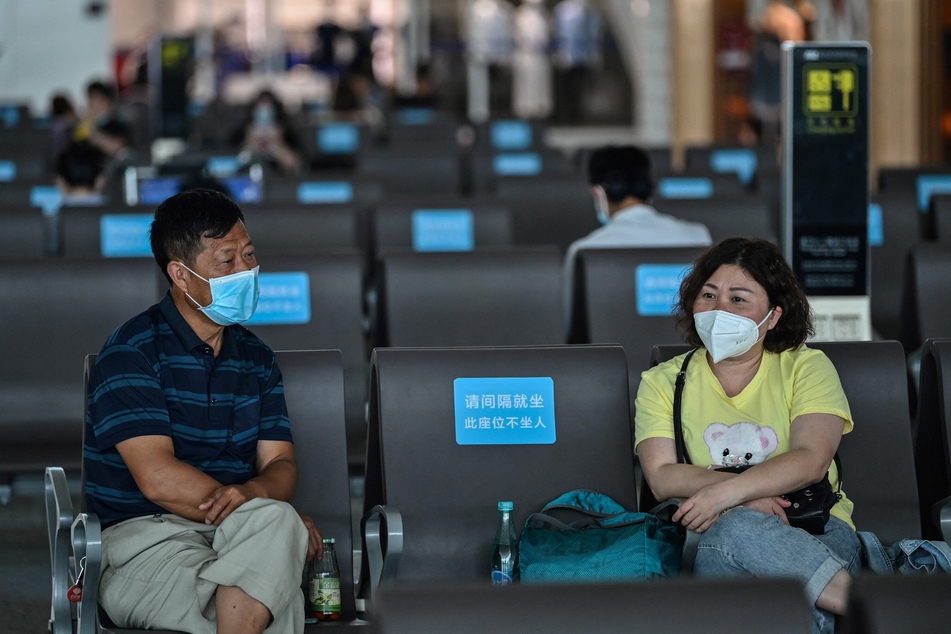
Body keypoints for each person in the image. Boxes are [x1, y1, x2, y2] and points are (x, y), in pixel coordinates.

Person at [84, 189, 323, 633]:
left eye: (249, 256)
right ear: (181, 274)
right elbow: (158, 479)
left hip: (240, 535)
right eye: (227, 262)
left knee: (266, 547)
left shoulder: (257, 358)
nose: (247, 271)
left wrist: (257, 503)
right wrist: (261, 513)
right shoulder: (132, 352)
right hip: (147, 545)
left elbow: (282, 465)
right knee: (272, 583)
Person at [634, 237, 859, 633]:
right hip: (713, 532)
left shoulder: (806, 367)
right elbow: (661, 474)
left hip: (813, 530)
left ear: (773, 316)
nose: (719, 310)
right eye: (708, 295)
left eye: (738, 299)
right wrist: (745, 500)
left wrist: (727, 495)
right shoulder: (662, 381)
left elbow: (811, 458)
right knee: (732, 533)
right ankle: (860, 601)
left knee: (732, 540)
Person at [563, 145, 712, 333]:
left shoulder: (583, 250)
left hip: (613, 362)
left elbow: (571, 329)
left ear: (598, 193)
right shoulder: (698, 236)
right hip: (691, 359)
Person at [232, 89, 303, 175]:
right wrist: (250, 144)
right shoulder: (242, 131)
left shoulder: (287, 132)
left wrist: (277, 146)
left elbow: (296, 167)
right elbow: (232, 165)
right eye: (260, 109)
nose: (264, 115)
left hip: (278, 181)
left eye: (268, 109)